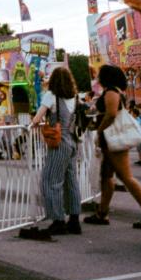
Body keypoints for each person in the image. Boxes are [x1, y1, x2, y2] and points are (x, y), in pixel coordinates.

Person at [84, 64, 141, 229]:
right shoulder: (114, 91)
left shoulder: (111, 92)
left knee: (126, 177)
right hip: (110, 141)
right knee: (107, 177)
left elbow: (111, 114)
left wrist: (100, 130)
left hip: (113, 140)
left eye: (100, 75)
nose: (98, 78)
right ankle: (102, 212)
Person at [30, 67, 82, 236]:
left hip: (59, 143)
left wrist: (32, 125)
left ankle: (57, 220)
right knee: (71, 180)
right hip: (73, 142)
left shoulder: (51, 96)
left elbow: (37, 118)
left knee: (50, 180)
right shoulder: (75, 97)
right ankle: (74, 220)